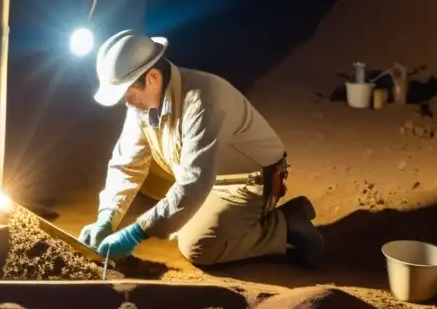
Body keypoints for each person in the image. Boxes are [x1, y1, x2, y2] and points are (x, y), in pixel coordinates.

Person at [77, 30, 324, 267]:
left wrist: (136, 233)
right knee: (158, 199)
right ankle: (199, 218)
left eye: (127, 93)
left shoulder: (203, 100)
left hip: (250, 180)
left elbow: (193, 183)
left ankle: (285, 224)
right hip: (207, 175)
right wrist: (107, 217)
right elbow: (127, 163)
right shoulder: (142, 103)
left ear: (151, 78)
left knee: (198, 245)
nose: (125, 101)